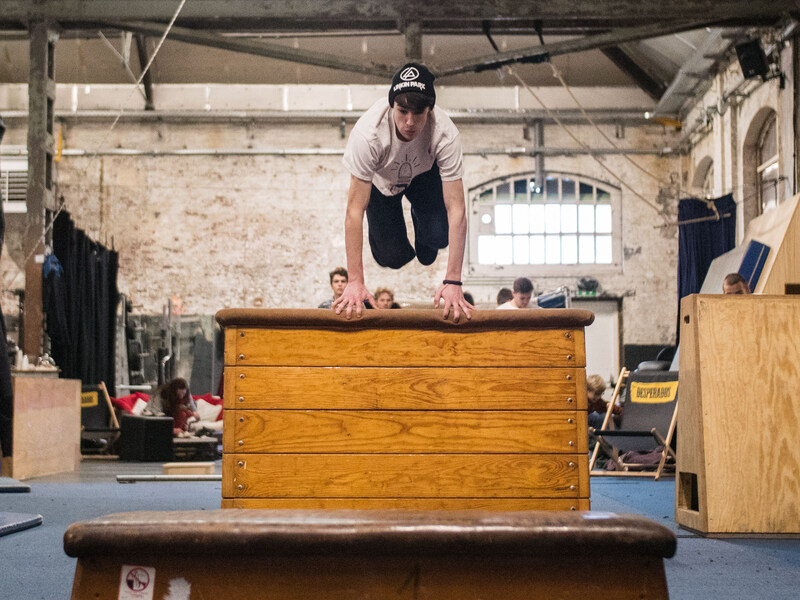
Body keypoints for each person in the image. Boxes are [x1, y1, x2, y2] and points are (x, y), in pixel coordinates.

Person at [335, 62, 473, 322]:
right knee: (392, 258)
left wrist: (453, 281)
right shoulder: (368, 135)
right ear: (392, 107)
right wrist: (355, 281)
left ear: (429, 110)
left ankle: (424, 227)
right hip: (381, 184)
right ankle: (409, 236)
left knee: (438, 239)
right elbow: (354, 211)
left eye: (418, 113)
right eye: (402, 111)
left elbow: (457, 209)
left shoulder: (445, 134)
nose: (410, 122)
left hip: (424, 177)